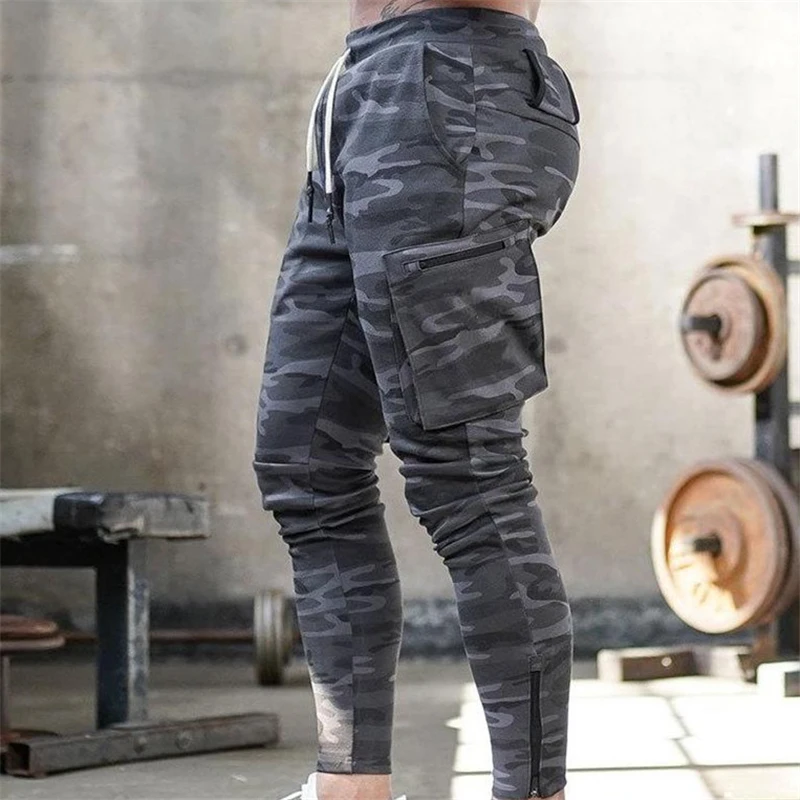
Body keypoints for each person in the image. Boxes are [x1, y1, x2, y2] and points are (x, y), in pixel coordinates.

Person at [253, 1, 580, 798]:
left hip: (450, 88)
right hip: (362, 95)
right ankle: (349, 787)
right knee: (307, 465)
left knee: (467, 475)